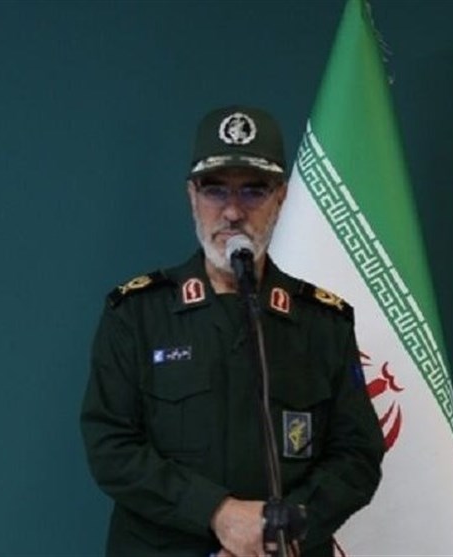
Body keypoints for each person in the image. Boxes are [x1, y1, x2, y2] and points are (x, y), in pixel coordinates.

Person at [80, 106, 385, 557]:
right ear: (192, 196)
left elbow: (357, 455)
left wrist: (281, 530)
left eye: (253, 191)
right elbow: (111, 447)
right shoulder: (138, 316)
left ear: (281, 198)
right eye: (215, 189)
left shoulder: (323, 323)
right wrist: (218, 513)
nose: (232, 211)